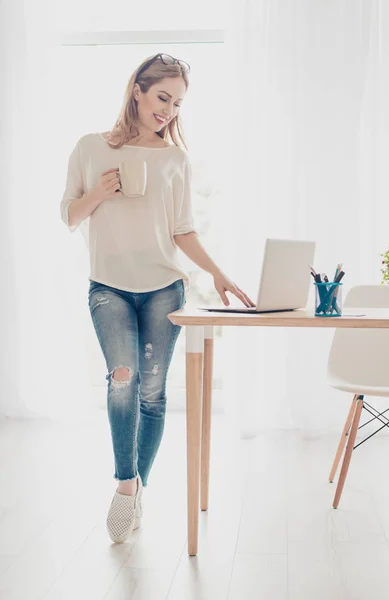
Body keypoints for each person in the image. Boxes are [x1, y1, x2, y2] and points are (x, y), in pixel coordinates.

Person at [60, 52, 255, 544]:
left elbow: (183, 230)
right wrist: (100, 193)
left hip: (163, 290)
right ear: (138, 90)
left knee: (153, 394)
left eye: (177, 103)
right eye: (162, 97)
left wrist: (220, 275)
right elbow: (68, 215)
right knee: (122, 381)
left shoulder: (174, 159)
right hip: (108, 286)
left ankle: (136, 488)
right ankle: (126, 484)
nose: (168, 110)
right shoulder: (90, 147)